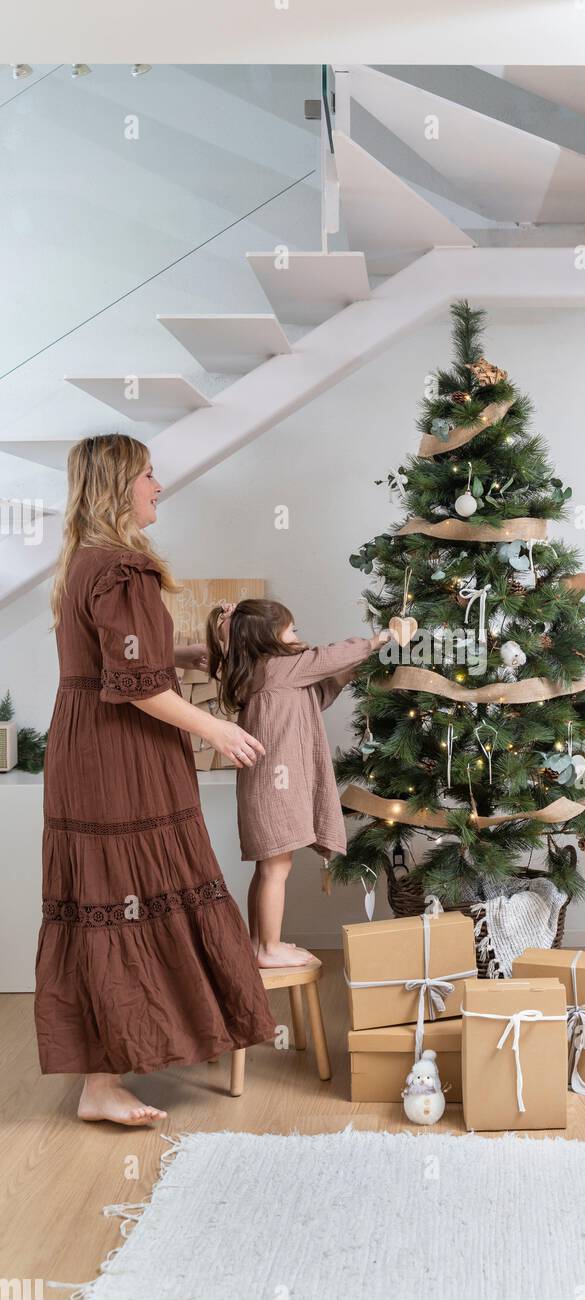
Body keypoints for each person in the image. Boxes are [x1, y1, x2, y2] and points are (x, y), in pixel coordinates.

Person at [36, 434, 276, 1126]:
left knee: (104, 901)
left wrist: (179, 651)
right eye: (147, 475)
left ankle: (102, 1079)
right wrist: (217, 729)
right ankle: (105, 1083)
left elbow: (120, 657)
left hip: (86, 745)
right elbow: (135, 683)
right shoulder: (124, 569)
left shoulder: (85, 563)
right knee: (127, 895)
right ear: (119, 487)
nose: (158, 485)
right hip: (122, 755)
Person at [205, 599, 387, 969]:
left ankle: (258, 944)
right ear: (269, 638)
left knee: (268, 868)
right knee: (276, 870)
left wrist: (347, 675)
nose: (297, 636)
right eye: (292, 630)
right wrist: (379, 638)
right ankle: (268, 948)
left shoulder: (263, 673)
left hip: (265, 789)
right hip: (275, 790)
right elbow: (327, 657)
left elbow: (313, 698)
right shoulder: (280, 666)